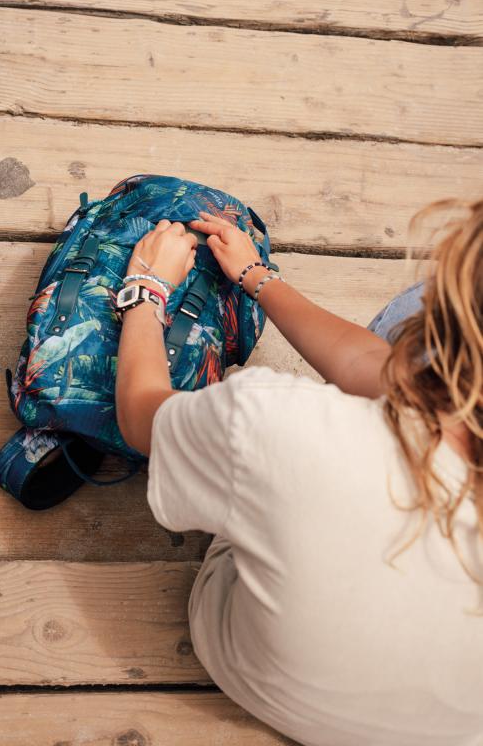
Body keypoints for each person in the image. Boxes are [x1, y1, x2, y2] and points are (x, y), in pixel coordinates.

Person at [114, 198, 482, 746]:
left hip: (254, 666)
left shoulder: (279, 422)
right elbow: (372, 367)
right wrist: (256, 277)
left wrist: (145, 289)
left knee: (413, 306)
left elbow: (139, 413)